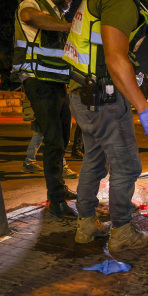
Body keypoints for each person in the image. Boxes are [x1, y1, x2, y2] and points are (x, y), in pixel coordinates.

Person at [62, 0, 148, 252]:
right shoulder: (121, 2)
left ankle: (85, 225)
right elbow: (116, 59)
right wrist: (144, 108)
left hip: (82, 92)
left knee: (94, 161)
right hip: (102, 97)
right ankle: (122, 232)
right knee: (126, 165)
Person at [11, 0, 77, 219]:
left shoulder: (57, 12)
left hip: (56, 79)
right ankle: (56, 200)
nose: (70, 1)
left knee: (63, 137)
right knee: (53, 138)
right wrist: (69, 27)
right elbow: (30, 16)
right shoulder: (32, 3)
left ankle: (58, 187)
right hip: (36, 77)